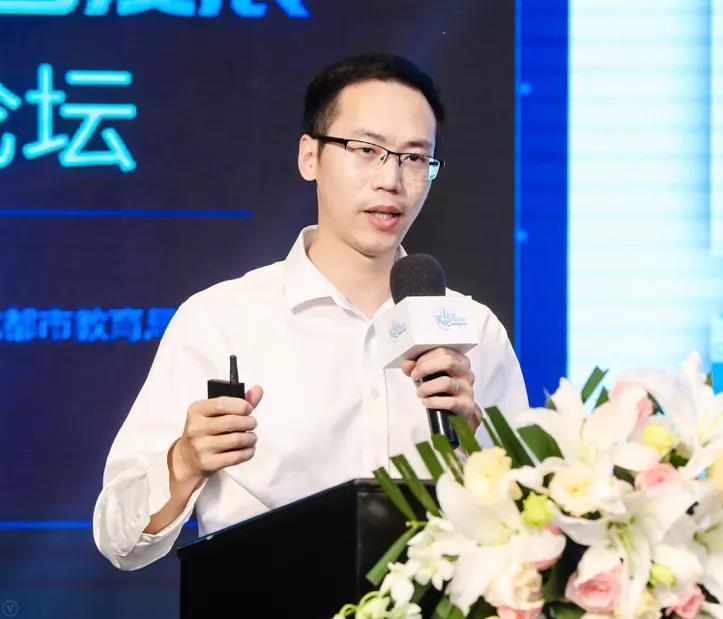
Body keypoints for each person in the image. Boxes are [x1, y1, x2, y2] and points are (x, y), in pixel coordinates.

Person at [92, 53, 528, 570]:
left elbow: (536, 525)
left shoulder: (473, 330)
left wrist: (477, 436)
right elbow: (118, 540)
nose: (391, 179)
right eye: (366, 150)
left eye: (415, 158)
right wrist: (183, 462)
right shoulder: (220, 321)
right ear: (309, 157)